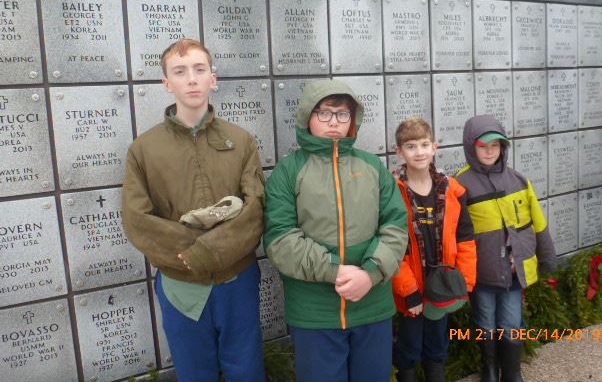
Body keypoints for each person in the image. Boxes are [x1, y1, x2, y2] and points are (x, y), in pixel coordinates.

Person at [122, 39, 266, 382]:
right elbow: (137, 218)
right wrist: (192, 254)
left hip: (237, 278)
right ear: (166, 83)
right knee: (193, 372)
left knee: (246, 368)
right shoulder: (144, 149)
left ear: (212, 79)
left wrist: (211, 251)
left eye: (200, 70)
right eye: (180, 71)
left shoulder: (242, 140)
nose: (191, 79)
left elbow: (255, 207)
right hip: (180, 281)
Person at [263, 79, 408, 382]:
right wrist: (335, 271)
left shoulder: (372, 167)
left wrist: (369, 273)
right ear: (308, 117)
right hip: (315, 313)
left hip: (373, 307)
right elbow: (280, 237)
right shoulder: (288, 171)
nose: (334, 122)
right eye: (324, 113)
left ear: (352, 120)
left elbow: (395, 225)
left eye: (342, 114)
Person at [454, 115, 556, 382]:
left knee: (511, 322)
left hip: (513, 273)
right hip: (483, 274)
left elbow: (538, 223)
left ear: (503, 148)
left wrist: (547, 260)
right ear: (470, 147)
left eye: (496, 146)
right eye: (483, 146)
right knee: (485, 322)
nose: (490, 151)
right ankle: (489, 369)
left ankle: (512, 371)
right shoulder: (461, 185)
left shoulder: (519, 181)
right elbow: (456, 235)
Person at [391, 117, 476, 382]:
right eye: (411, 146)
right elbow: (393, 247)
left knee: (437, 345)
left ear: (435, 147)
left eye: (424, 144)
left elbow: (465, 240)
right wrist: (409, 292)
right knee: (409, 347)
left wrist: (465, 283)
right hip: (412, 291)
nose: (419, 152)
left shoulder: (452, 190)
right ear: (399, 152)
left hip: (443, 286)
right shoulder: (393, 192)